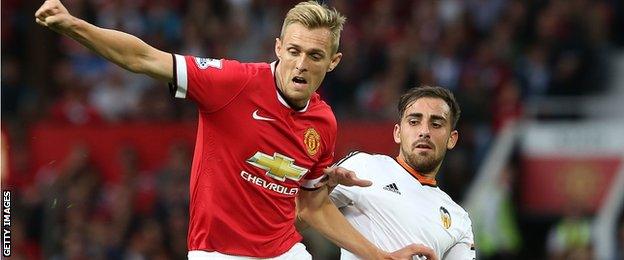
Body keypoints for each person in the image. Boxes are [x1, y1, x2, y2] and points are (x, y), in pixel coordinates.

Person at [35, 0, 437, 259]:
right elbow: (144, 58)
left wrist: (381, 257)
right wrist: (74, 27)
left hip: (284, 252)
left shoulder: (324, 123)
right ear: (278, 47)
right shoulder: (232, 83)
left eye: (315, 56)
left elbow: (311, 207)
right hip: (218, 254)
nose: (300, 65)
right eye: (294, 51)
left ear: (333, 62)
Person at [327, 86, 476, 259]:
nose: (424, 132)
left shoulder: (459, 219)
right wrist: (326, 187)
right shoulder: (364, 167)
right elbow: (299, 215)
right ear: (398, 133)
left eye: (436, 124)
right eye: (414, 122)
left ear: (452, 139)